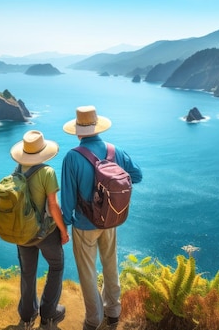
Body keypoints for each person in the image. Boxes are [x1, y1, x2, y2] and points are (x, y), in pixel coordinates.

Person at [60, 106, 143, 330]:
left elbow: (67, 201)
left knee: (88, 272)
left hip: (85, 225)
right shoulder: (115, 151)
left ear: (78, 131)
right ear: (97, 127)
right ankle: (113, 312)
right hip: (112, 221)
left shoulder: (72, 157)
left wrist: (63, 227)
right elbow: (137, 176)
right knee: (110, 265)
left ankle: (93, 319)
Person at [9, 130, 70, 329]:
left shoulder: (16, 171)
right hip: (45, 234)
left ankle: (27, 317)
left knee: (28, 272)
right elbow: (53, 207)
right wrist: (63, 231)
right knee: (56, 266)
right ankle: (49, 314)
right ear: (43, 151)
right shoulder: (47, 172)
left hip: (22, 233)